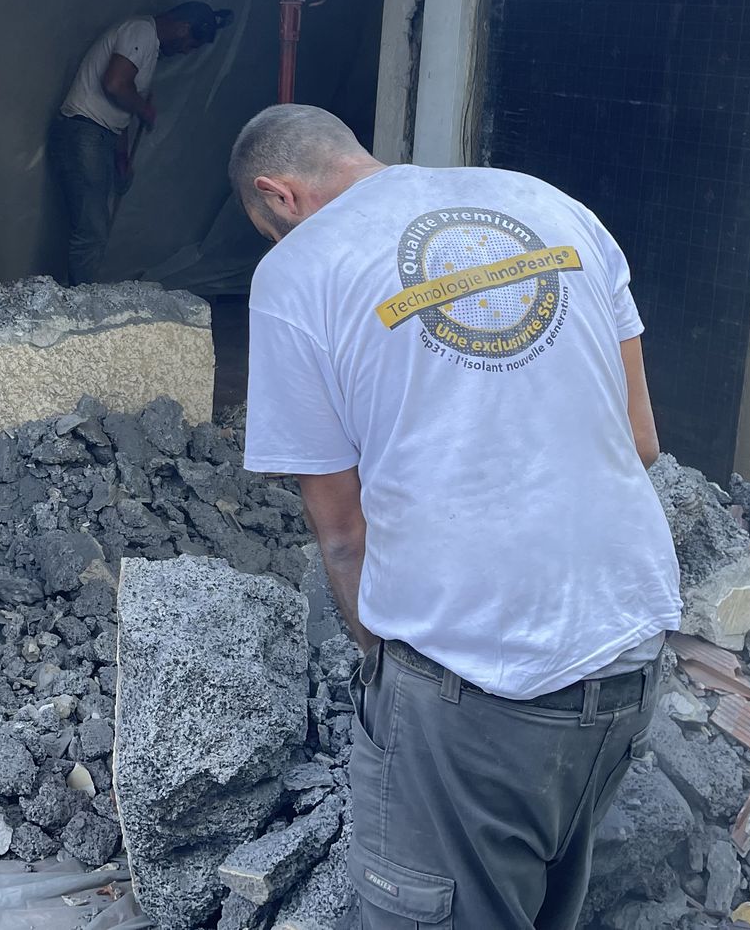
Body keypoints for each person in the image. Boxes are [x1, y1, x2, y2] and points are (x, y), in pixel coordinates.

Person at [228, 105, 679, 930]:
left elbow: (343, 534)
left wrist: (396, 683)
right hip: (631, 649)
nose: (277, 244)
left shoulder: (298, 272)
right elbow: (642, 441)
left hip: (477, 681)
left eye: (270, 230)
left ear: (278, 195)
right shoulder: (547, 204)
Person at [50, 2, 232, 284]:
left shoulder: (147, 43)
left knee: (92, 227)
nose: (186, 51)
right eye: (190, 44)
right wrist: (143, 109)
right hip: (84, 131)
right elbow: (115, 84)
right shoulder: (141, 31)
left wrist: (121, 156)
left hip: (99, 135)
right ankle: (81, 299)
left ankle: (80, 293)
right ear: (183, 28)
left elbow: (119, 107)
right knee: (91, 230)